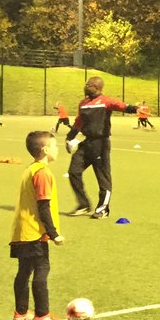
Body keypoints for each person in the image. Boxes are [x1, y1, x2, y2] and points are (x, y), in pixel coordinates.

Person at [9, 131, 68, 320]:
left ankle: (21, 313)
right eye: (55, 145)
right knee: (42, 270)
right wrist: (53, 233)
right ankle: (42, 316)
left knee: (24, 271)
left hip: (22, 229)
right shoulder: (42, 172)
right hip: (35, 231)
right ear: (45, 149)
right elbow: (44, 206)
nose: (58, 149)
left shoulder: (31, 169)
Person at [63, 76, 140, 220]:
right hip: (86, 144)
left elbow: (121, 106)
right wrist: (69, 137)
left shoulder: (105, 101)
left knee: (103, 178)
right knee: (73, 171)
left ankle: (103, 209)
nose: (87, 86)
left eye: (90, 84)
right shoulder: (83, 103)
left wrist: (136, 108)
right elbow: (79, 122)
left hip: (101, 144)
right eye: (86, 84)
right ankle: (83, 204)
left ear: (98, 87)